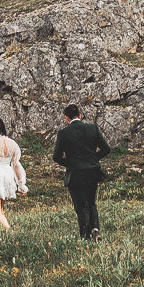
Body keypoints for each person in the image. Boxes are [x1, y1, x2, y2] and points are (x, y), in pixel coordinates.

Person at [51, 103, 110, 240]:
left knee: (80, 205)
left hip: (75, 173)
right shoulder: (92, 129)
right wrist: (93, 159)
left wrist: (70, 164)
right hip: (93, 171)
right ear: (80, 115)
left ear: (66, 118)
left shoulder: (63, 133)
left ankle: (86, 234)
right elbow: (106, 149)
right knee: (91, 202)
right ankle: (95, 229)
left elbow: (56, 157)